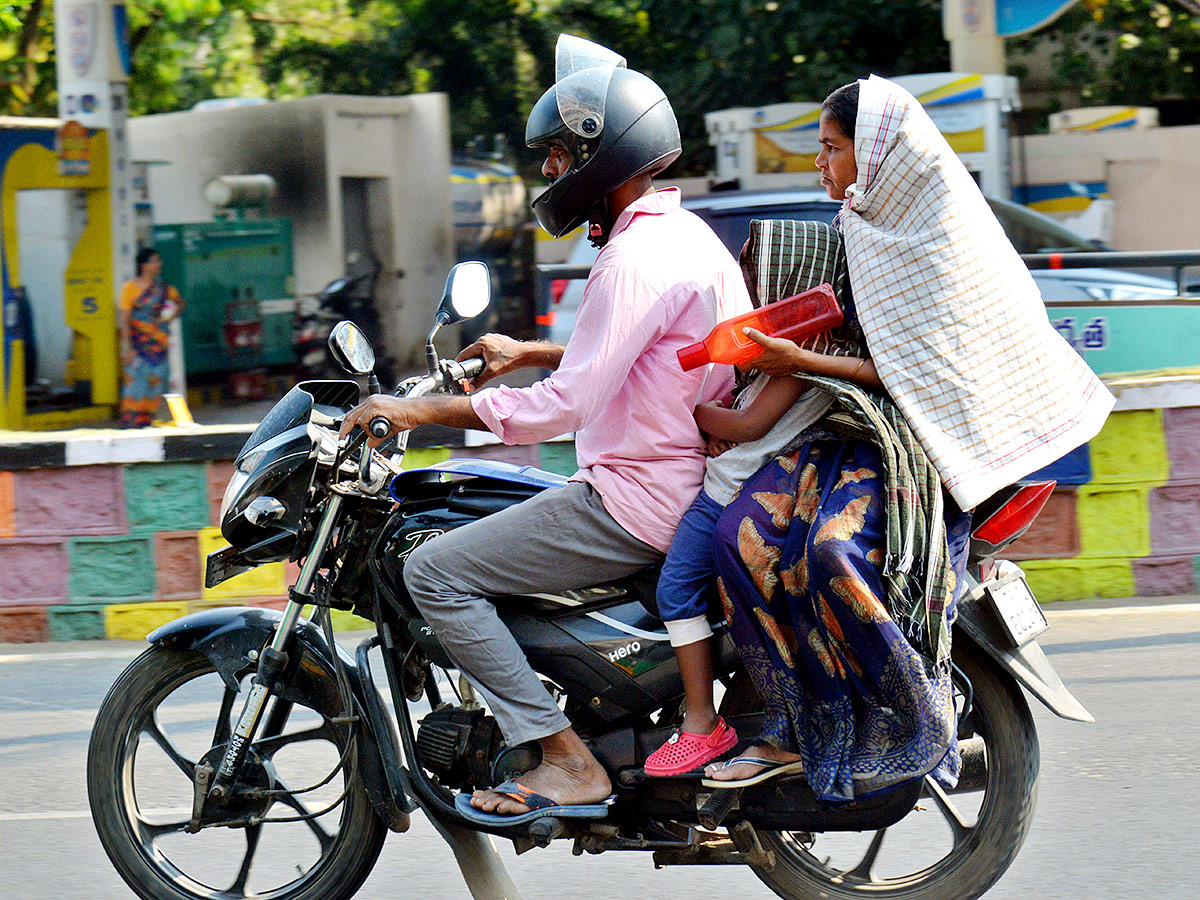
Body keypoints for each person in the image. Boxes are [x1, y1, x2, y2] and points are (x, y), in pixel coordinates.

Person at [339, 35, 752, 819]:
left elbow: (567, 406)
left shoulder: (631, 259)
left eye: (559, 156)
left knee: (434, 573)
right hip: (681, 482)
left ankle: (563, 757)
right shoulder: (683, 235)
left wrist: (419, 411)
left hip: (636, 498)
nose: (549, 174)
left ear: (603, 155)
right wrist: (531, 349)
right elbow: (653, 357)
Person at [701, 76, 1114, 801]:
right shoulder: (859, 226)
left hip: (923, 450)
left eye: (831, 149)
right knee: (738, 538)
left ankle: (920, 715)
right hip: (852, 429)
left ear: (878, 152)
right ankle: (797, 722)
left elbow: (908, 372)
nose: (819, 165)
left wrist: (799, 362)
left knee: (830, 552)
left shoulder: (943, 232)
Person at [643, 220, 863, 777]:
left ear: (789, 282)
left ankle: (700, 721)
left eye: (756, 275)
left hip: (725, 496)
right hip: (732, 483)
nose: (748, 287)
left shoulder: (800, 357)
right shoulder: (789, 352)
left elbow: (748, 423)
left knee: (674, 590)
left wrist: (687, 412)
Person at [118, 247, 183, 428]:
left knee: (158, 381)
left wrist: (167, 320)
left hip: (159, 346)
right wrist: (128, 349)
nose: (158, 264)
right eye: (154, 261)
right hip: (137, 346)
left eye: (158, 260)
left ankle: (153, 420)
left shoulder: (164, 289)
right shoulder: (129, 289)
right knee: (136, 382)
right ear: (143, 265)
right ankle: (133, 423)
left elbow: (180, 303)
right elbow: (124, 321)